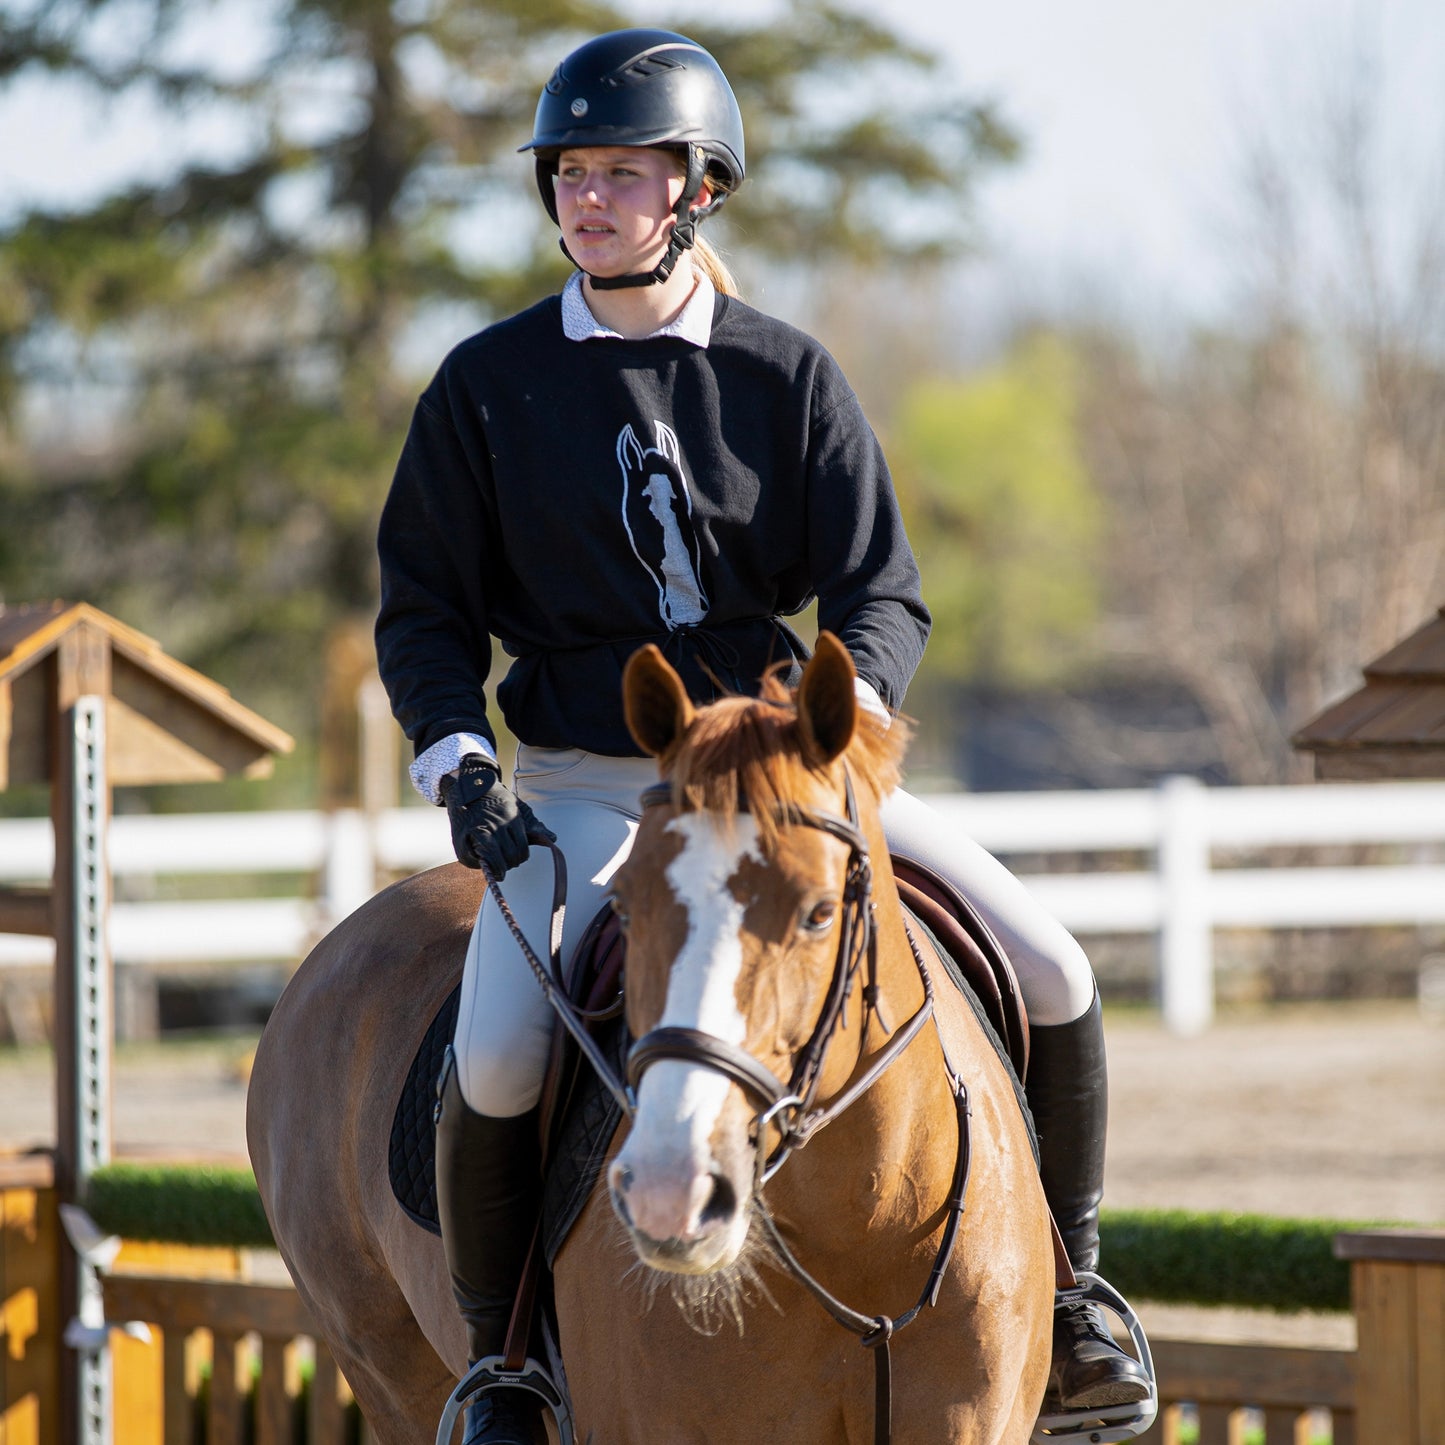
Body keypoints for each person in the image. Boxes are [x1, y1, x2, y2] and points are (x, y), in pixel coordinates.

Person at [375, 28, 1150, 1444]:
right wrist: (459, 765)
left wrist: (839, 733)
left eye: (623, 172)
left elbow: (880, 588)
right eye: (570, 173)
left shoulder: (785, 375)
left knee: (1047, 960)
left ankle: (1080, 1301)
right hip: (590, 784)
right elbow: (422, 613)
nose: (587, 198)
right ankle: (507, 1365)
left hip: (790, 774)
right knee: (496, 1049)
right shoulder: (481, 390)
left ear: (697, 190)